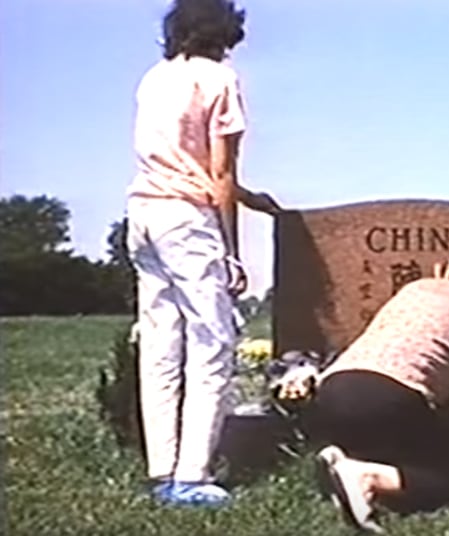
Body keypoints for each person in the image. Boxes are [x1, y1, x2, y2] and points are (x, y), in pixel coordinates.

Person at [125, 0, 269, 507]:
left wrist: (251, 198)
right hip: (188, 221)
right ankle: (193, 475)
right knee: (212, 344)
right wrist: (232, 250)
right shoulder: (220, 80)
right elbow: (219, 175)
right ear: (226, 31)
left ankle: (161, 470)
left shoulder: (154, 78)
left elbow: (180, 160)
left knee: (161, 345)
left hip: (143, 212)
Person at [310, 258, 449, 532]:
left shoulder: (417, 289)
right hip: (391, 397)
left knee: (400, 450)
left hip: (331, 389)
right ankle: (366, 476)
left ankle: (344, 459)